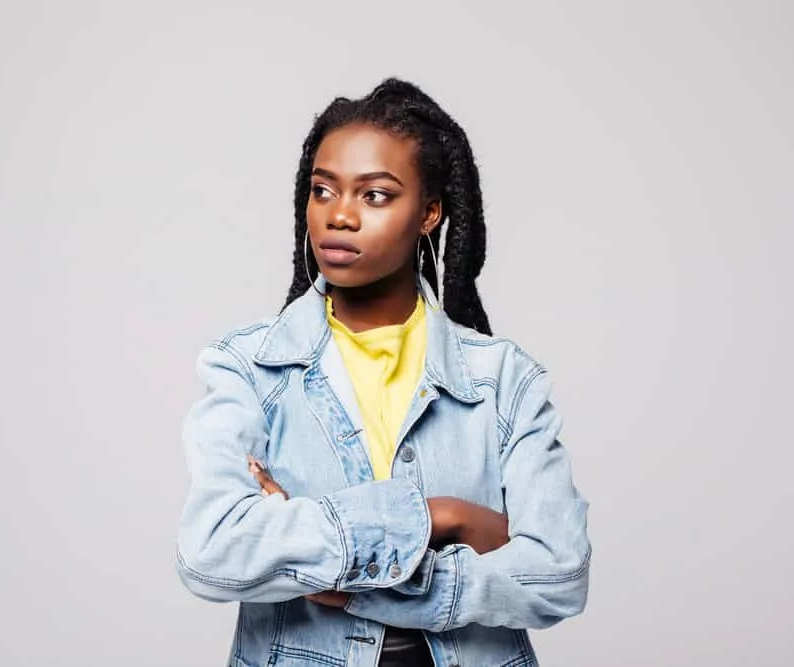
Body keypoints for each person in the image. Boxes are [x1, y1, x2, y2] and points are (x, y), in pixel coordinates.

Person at [176, 78, 591, 667]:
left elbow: (558, 575)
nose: (339, 216)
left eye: (374, 196)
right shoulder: (249, 369)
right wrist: (442, 517)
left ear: (428, 213)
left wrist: (341, 572)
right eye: (323, 190)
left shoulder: (503, 380)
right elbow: (212, 552)